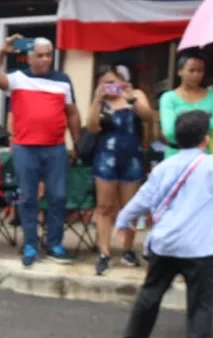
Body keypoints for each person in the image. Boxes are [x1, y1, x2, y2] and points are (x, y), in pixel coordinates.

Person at [111, 111, 213, 338]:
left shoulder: (164, 167)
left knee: (150, 294)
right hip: (198, 247)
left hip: (165, 242)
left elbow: (143, 198)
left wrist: (123, 219)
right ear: (206, 139)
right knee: (200, 305)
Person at [0, 34, 81, 267]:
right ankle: (30, 244)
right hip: (26, 148)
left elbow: (72, 113)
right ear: (29, 58)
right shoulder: (17, 79)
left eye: (49, 55)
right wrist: (2, 52)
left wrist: (77, 144)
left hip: (56, 147)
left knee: (58, 197)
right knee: (28, 198)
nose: (46, 59)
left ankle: (55, 244)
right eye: (40, 55)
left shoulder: (63, 80)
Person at [87, 65, 152, 275]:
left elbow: (148, 116)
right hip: (106, 158)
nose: (110, 87)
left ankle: (127, 249)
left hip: (131, 158)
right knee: (104, 207)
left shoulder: (135, 95)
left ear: (121, 80)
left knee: (129, 208)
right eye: (105, 83)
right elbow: (92, 127)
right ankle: (104, 252)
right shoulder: (101, 101)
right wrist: (97, 99)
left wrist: (130, 97)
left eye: (113, 82)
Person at [158, 54, 213, 159]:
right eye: (191, 70)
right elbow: (170, 131)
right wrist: (204, 119)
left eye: (200, 71)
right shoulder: (168, 97)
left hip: (203, 156)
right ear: (179, 71)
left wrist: (182, 121)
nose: (196, 75)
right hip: (175, 155)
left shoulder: (212, 95)